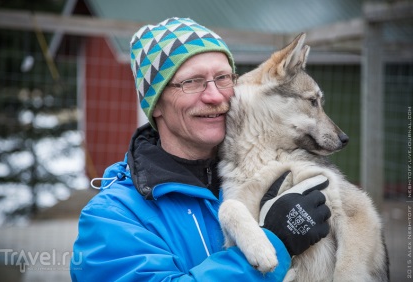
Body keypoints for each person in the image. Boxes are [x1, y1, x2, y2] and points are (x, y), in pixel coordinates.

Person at [70, 17, 331, 281]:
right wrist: (274, 242)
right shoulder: (113, 217)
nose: (215, 96)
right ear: (156, 104)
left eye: (223, 78)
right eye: (191, 82)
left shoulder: (265, 168)